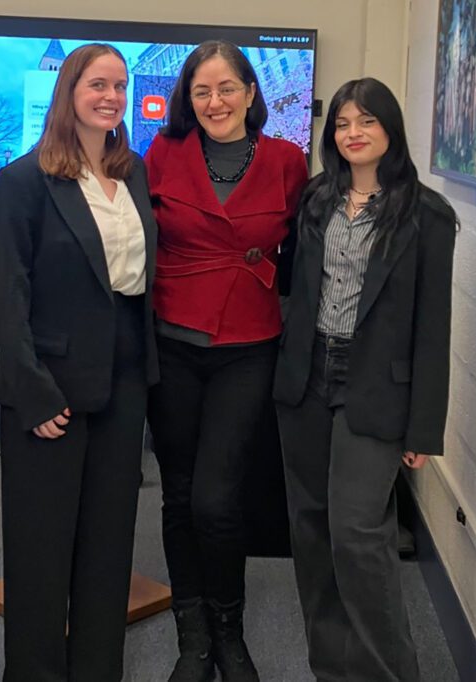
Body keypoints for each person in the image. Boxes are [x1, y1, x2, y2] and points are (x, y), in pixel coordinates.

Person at [273, 77, 457, 682]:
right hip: (307, 379)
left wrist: (424, 427)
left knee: (357, 532)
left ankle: (387, 674)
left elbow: (434, 327)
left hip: (377, 386)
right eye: (343, 124)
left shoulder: (426, 215)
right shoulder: (316, 199)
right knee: (313, 531)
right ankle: (332, 668)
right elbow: (294, 291)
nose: (353, 133)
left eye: (367, 122)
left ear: (390, 130)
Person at [0, 44, 158, 682]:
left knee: (107, 548)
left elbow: (137, 280)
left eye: (120, 85)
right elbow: (12, 296)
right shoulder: (24, 180)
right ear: (68, 92)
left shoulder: (133, 171)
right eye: (97, 84)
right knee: (41, 551)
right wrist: (33, 393)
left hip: (123, 381)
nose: (111, 96)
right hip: (49, 386)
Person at [143, 40, 308, 682]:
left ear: (249, 92)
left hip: (248, 345)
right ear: (188, 98)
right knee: (180, 494)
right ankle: (194, 636)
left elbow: (307, 246)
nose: (215, 101)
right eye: (202, 90)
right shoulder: (162, 155)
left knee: (219, 496)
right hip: (173, 341)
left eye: (227, 88)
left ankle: (230, 630)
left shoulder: (288, 161)